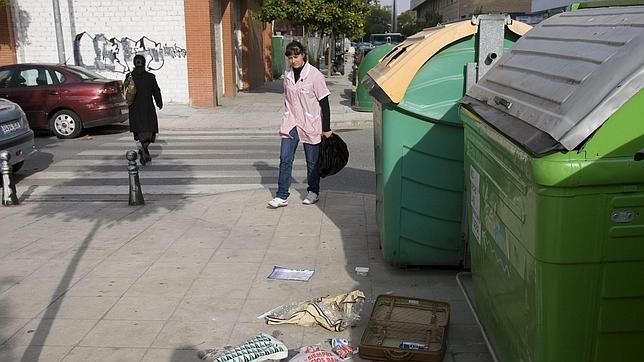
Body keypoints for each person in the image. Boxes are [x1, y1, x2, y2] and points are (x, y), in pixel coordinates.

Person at [268, 40, 332, 208]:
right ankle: (282, 195)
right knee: (285, 158)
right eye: (290, 57)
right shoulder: (287, 75)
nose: (293, 60)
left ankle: (313, 191)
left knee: (312, 162)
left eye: (296, 56)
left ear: (303, 54)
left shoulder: (315, 75)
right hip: (291, 123)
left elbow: (324, 103)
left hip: (310, 123)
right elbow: (288, 100)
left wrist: (326, 128)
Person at [128, 54, 163, 165]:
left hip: (134, 108)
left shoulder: (129, 76)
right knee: (149, 130)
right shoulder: (150, 77)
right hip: (147, 107)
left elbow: (125, 91)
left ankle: (144, 150)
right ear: (144, 63)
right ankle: (144, 148)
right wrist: (159, 103)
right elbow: (156, 91)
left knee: (139, 131)